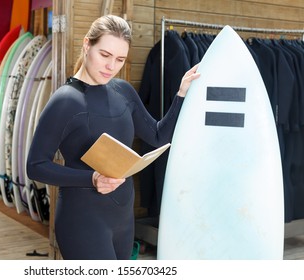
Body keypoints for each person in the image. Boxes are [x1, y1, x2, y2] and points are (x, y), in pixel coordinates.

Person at [26, 14, 200, 260]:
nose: (111, 66)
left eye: (120, 59)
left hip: (123, 221)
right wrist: (92, 178)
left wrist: (181, 93)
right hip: (82, 221)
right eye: (105, 55)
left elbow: (158, 136)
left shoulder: (123, 91)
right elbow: (35, 167)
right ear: (87, 45)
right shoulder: (64, 101)